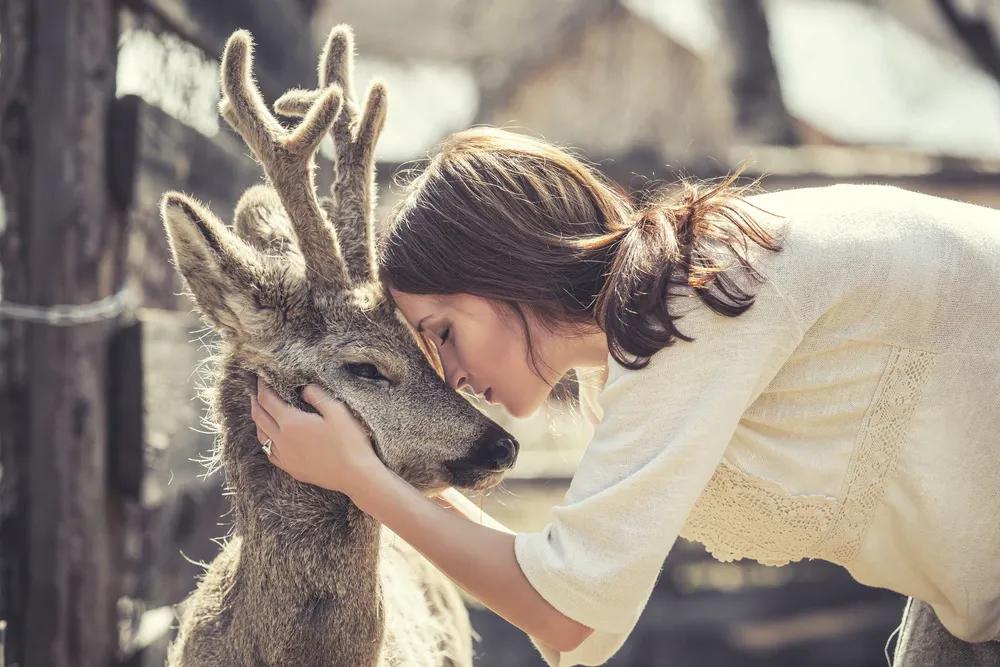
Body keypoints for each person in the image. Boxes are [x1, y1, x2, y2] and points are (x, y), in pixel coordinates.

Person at [248, 125, 1000, 666]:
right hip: (967, 607)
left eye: (441, 331)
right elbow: (566, 597)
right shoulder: (651, 345)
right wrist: (383, 476)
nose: (449, 374)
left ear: (503, 271)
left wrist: (362, 479)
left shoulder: (700, 301)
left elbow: (571, 616)